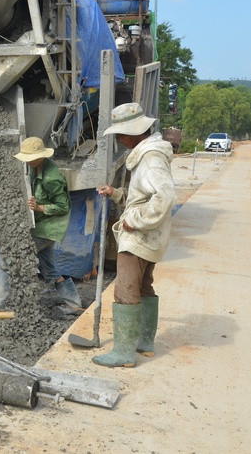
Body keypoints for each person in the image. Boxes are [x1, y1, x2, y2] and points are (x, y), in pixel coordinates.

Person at [94, 102, 176, 368]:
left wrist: (134, 220)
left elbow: (164, 197)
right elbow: (142, 196)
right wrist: (117, 195)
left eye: (120, 134)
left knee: (125, 290)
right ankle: (144, 343)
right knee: (143, 286)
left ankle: (124, 353)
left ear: (135, 132)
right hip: (151, 236)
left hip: (140, 237)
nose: (118, 139)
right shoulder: (150, 155)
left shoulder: (151, 159)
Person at [0, 136, 80, 314]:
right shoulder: (36, 167)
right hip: (41, 224)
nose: (28, 161)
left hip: (48, 227)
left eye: (30, 158)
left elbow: (63, 207)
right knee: (48, 268)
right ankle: (73, 303)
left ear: (41, 156)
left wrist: (39, 207)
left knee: (7, 256)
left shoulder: (51, 178)